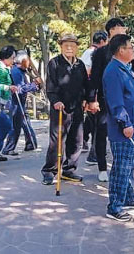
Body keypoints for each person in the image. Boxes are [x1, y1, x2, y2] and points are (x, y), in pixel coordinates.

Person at [87, 18, 134, 182]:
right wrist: (91, 99)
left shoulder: (130, 50)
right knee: (102, 130)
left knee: (124, 131)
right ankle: (102, 166)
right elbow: (95, 77)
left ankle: (121, 168)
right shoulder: (101, 52)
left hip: (127, 99)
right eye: (120, 28)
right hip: (105, 99)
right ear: (111, 30)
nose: (123, 30)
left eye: (124, 28)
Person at [103, 34, 134, 222]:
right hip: (124, 129)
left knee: (129, 165)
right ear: (121, 50)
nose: (133, 51)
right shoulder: (113, 71)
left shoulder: (125, 68)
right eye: (130, 47)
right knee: (121, 167)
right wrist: (125, 123)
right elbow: (116, 102)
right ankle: (114, 206)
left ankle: (128, 196)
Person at [41, 34, 97, 185]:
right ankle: (49, 171)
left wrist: (87, 99)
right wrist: (56, 101)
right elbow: (50, 86)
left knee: (77, 140)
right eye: (66, 45)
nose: (70, 48)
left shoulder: (79, 65)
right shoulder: (54, 63)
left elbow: (86, 84)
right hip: (60, 108)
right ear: (61, 47)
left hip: (77, 107)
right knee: (57, 141)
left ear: (77, 47)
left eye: (72, 45)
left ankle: (68, 169)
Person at [2, 50, 41, 156]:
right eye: (27, 60)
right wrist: (33, 85)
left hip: (20, 102)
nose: (29, 63)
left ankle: (30, 144)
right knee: (16, 126)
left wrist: (34, 86)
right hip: (15, 102)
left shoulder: (22, 71)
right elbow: (20, 89)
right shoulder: (16, 71)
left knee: (25, 122)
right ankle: (9, 148)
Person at [0, 46, 18, 162]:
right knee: (5, 126)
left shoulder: (5, 68)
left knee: (1, 127)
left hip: (3, 101)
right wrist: (8, 87)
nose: (13, 60)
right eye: (12, 58)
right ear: (5, 58)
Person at [81, 31, 108, 154]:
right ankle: (94, 153)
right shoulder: (92, 53)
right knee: (97, 125)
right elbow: (87, 72)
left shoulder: (88, 52)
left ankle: (85, 142)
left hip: (91, 93)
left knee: (91, 122)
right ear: (102, 41)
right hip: (93, 93)